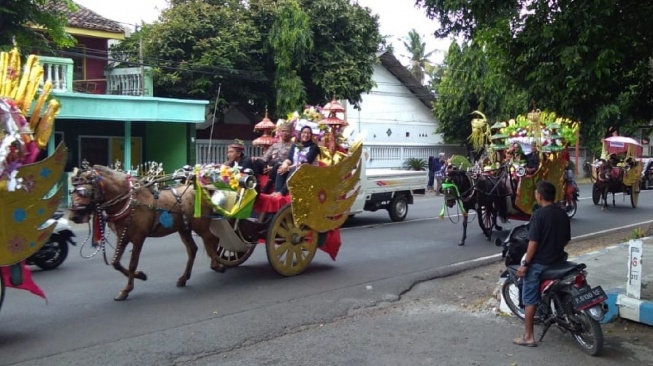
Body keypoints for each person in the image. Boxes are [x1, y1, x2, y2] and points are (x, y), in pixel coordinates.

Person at [513, 180, 570, 348]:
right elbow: (566, 240)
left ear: (540, 196)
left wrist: (525, 264)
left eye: (536, 193)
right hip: (559, 261)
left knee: (529, 298)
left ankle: (529, 336)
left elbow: (533, 243)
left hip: (540, 264)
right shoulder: (562, 214)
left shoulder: (539, 215)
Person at [272, 126, 320, 196]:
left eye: (308, 133)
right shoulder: (296, 145)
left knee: (295, 168)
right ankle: (277, 191)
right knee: (281, 166)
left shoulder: (314, 147)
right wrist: (285, 164)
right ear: (300, 134)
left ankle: (282, 192)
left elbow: (305, 162)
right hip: (295, 168)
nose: (306, 135)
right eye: (304, 132)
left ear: (311, 135)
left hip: (308, 171)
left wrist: (289, 167)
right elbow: (290, 158)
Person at [258, 123, 294, 193]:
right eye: (283, 131)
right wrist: (255, 158)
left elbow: (293, 160)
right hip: (271, 167)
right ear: (280, 132)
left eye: (287, 131)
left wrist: (272, 168)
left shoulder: (294, 146)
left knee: (279, 163)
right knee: (255, 161)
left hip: (284, 168)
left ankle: (269, 183)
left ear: (291, 133)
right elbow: (265, 158)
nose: (284, 133)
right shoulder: (275, 145)